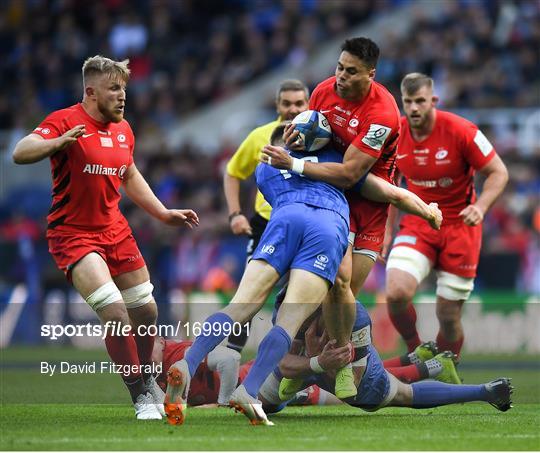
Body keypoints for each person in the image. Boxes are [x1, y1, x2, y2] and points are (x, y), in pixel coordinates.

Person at [163, 123, 441, 426]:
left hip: (283, 219)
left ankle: (187, 363)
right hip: (325, 225)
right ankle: (249, 390)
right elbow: (392, 194)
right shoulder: (337, 161)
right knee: (291, 319)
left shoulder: (265, 169)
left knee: (240, 305)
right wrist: (428, 211)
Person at [11, 55, 199, 420]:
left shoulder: (124, 129)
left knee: (146, 309)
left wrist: (161, 212)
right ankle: (141, 393)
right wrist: (55, 144)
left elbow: (128, 173)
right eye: (114, 88)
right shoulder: (63, 121)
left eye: (124, 89)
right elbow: (20, 152)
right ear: (91, 92)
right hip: (73, 234)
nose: (122, 96)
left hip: (115, 230)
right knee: (114, 310)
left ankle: (147, 377)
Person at [262, 37, 401, 398]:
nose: (340, 76)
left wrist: (293, 163)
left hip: (369, 206)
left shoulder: (383, 114)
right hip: (333, 200)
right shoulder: (323, 92)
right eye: (339, 67)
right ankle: (339, 361)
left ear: (371, 74)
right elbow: (312, 142)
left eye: (350, 71)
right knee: (333, 282)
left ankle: (321, 358)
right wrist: (295, 142)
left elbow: (351, 173)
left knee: (344, 293)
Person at [384, 73, 509, 356]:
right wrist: (388, 230)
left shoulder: (462, 130)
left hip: (460, 227)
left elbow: (499, 172)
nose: (414, 108)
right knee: (396, 293)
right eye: (408, 102)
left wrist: (481, 206)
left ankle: (445, 368)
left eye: (420, 101)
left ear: (434, 101)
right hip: (418, 222)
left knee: (448, 316)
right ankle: (416, 350)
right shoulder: (395, 134)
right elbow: (391, 185)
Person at [270, 303, 512, 422]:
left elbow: (349, 387)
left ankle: (478, 388)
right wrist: (311, 363)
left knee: (401, 393)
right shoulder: (289, 302)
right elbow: (284, 364)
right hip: (312, 371)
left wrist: (315, 363)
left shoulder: (356, 317)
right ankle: (426, 363)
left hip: (356, 381)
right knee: (264, 399)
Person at [223, 79, 309, 352]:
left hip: (306, 224)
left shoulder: (320, 137)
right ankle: (230, 357)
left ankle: (296, 364)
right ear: (277, 105)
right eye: (287, 103)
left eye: (299, 103)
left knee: (300, 297)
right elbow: (233, 172)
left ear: (308, 104)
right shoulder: (260, 136)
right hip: (266, 223)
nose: (293, 109)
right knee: (249, 295)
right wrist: (235, 213)